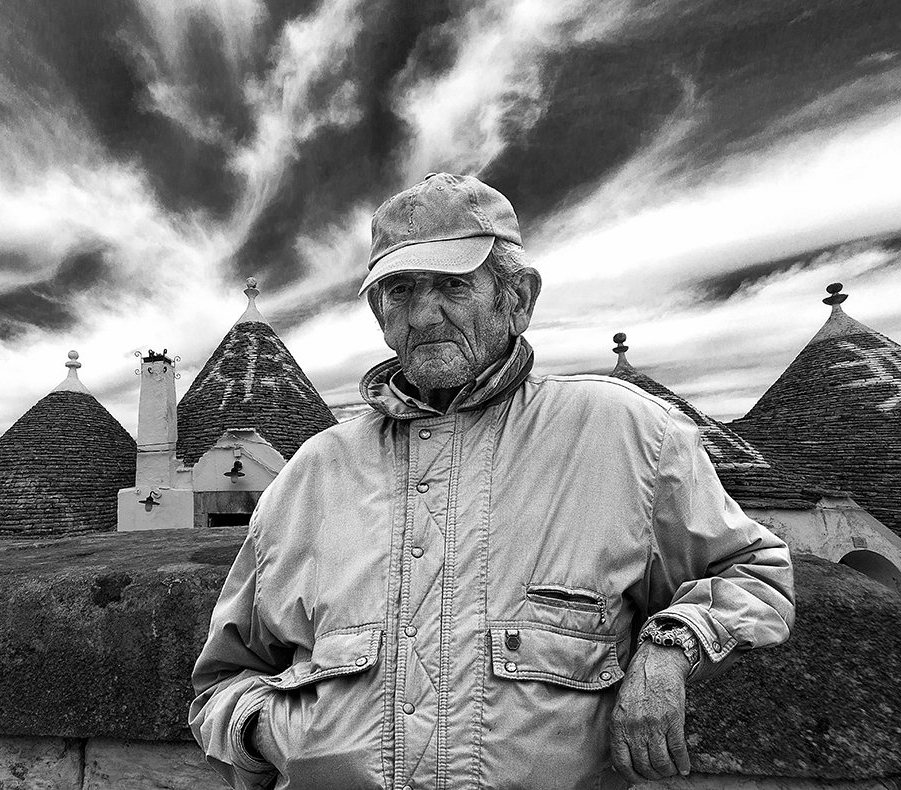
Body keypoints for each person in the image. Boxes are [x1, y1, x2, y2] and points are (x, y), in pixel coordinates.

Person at [189, 173, 795, 790]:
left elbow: (754, 572)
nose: (423, 315)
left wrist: (670, 649)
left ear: (519, 298)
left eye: (453, 285)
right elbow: (223, 680)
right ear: (378, 313)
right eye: (399, 290)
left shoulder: (627, 436)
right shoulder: (311, 473)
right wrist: (266, 734)